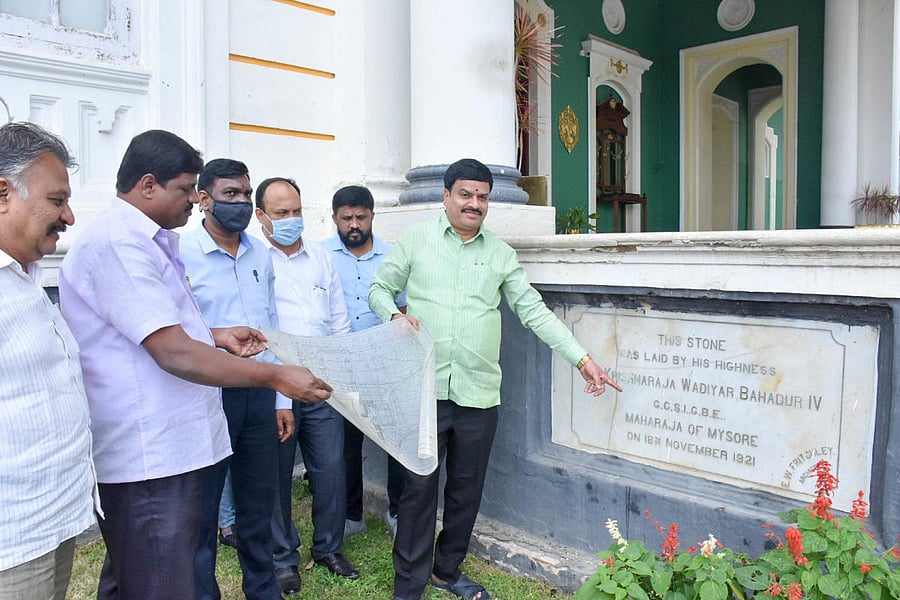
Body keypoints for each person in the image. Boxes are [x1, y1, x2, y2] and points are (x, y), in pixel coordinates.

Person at [58, 130, 333, 600]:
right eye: (186, 189)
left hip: (177, 443)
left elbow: (165, 329)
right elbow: (174, 352)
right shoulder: (118, 245)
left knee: (147, 574)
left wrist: (217, 336)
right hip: (150, 456)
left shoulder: (150, 242)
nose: (193, 200)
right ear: (148, 185)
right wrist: (277, 375)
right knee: (165, 578)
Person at [369, 158, 622, 600]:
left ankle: (446, 571)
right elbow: (379, 289)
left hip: (479, 393)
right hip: (425, 389)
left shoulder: (501, 254)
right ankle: (408, 586)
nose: (474, 203)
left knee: (466, 491)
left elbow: (534, 311)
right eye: (465, 194)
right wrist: (393, 315)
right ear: (446, 196)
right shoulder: (415, 240)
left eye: (482, 196)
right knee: (418, 490)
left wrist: (582, 359)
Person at [180, 158, 293, 599]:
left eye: (246, 194)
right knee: (203, 509)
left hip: (259, 394)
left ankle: (262, 589)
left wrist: (281, 398)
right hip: (208, 395)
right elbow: (178, 333)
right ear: (204, 199)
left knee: (257, 503)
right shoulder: (181, 254)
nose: (242, 203)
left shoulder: (260, 253)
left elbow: (273, 325)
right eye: (231, 194)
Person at [0, 122, 97, 600]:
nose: (70, 217)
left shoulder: (24, 276)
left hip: (53, 519)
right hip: (12, 541)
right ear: (3, 193)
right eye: (57, 200)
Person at [254, 176, 358, 595]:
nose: (291, 219)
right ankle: (283, 558)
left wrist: (340, 377)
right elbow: (258, 330)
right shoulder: (254, 261)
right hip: (274, 385)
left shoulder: (321, 258)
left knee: (331, 469)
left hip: (321, 384)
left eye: (296, 211)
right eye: (281, 213)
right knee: (276, 475)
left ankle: (329, 548)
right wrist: (279, 395)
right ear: (261, 216)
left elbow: (338, 320)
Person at [322, 185, 407, 539]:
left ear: (373, 216)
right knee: (346, 444)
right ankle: (351, 515)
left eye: (361, 217)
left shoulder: (393, 256)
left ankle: (397, 511)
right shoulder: (321, 256)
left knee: (395, 440)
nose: (354, 225)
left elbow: (402, 308)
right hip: (340, 365)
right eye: (347, 218)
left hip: (384, 363)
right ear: (334, 218)